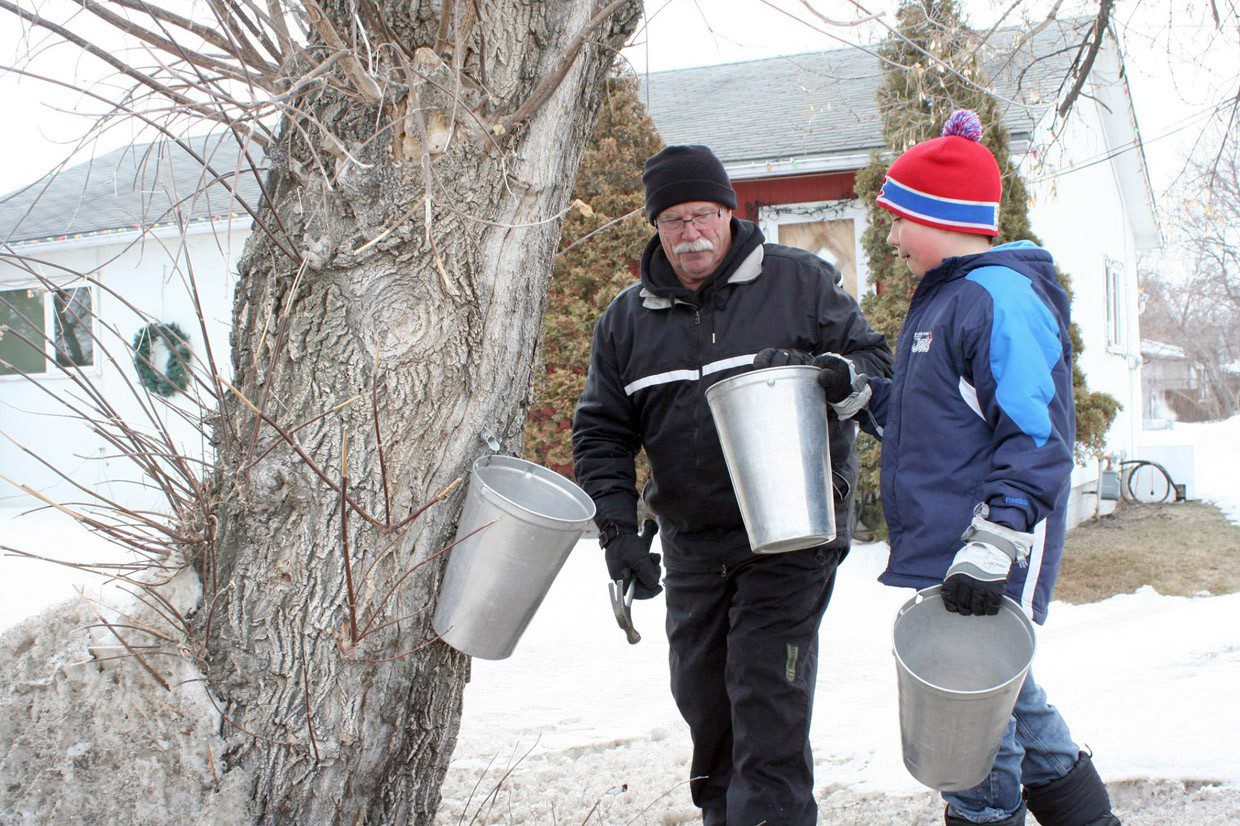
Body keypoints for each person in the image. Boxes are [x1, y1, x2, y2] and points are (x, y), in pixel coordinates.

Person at [571, 144, 892, 824]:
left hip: (791, 534)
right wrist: (618, 535)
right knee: (707, 707)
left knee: (765, 706)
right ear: (655, 228)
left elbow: (872, 364)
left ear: (728, 213)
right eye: (673, 221)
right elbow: (602, 432)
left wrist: (835, 374)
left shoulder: (800, 282)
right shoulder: (627, 320)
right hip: (693, 543)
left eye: (702, 216)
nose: (690, 234)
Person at [820, 110, 1120, 826]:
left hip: (991, 538)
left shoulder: (999, 298)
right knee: (1009, 699)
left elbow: (1036, 432)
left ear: (940, 215)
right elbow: (933, 423)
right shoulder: (948, 301)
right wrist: (862, 394)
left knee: (970, 738)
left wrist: (997, 539)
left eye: (898, 220)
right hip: (957, 541)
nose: (890, 239)